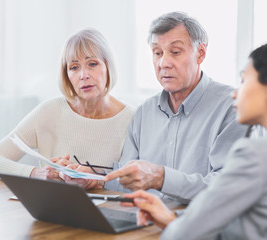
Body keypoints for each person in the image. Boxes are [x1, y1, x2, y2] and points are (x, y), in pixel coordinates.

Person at [122, 43, 267, 240]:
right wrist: (173, 219)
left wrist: (178, 225)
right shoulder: (144, 111)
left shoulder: (256, 153)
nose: (235, 93)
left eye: (243, 81)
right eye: (157, 53)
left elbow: (184, 235)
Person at [104, 12, 248, 203]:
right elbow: (128, 178)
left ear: (201, 54)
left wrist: (162, 178)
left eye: (175, 52)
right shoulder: (144, 112)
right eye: (157, 53)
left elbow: (226, 188)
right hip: (142, 221)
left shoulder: (233, 107)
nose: (164, 63)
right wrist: (91, 179)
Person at [0, 28, 135, 189]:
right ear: (66, 75)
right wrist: (38, 173)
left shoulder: (133, 118)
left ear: (108, 66)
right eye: (74, 67)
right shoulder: (49, 112)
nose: (84, 75)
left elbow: (142, 184)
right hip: (53, 210)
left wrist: (97, 181)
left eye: (92, 64)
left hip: (112, 211)